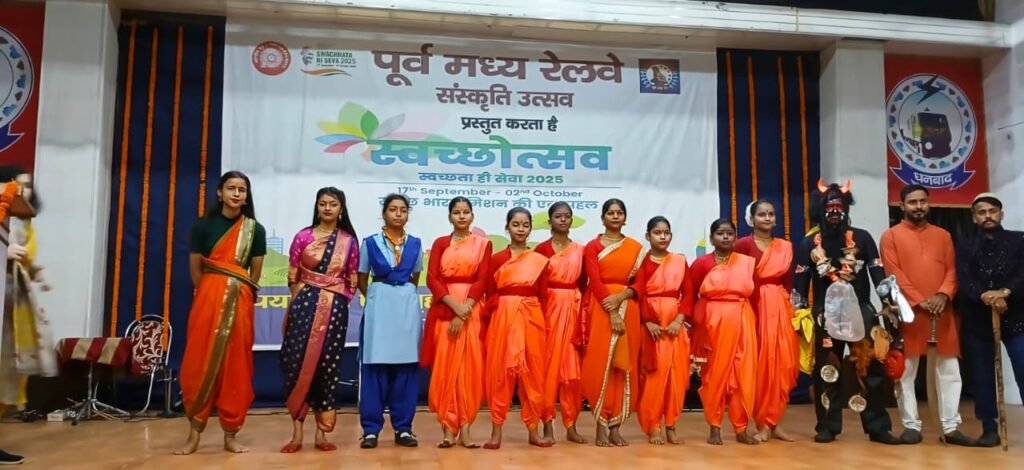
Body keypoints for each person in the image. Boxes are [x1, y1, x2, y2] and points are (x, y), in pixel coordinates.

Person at [794, 180, 901, 445]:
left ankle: (878, 427)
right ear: (819, 211)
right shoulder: (808, 244)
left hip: (861, 312)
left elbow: (878, 273)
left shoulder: (862, 238)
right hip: (824, 316)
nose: (834, 212)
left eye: (839, 207)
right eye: (829, 207)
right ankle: (827, 426)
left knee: (870, 369)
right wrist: (798, 314)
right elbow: (799, 285)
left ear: (846, 209)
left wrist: (888, 302)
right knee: (826, 370)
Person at [176, 171, 266, 455]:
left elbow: (255, 272)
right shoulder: (203, 226)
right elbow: (196, 271)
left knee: (236, 365)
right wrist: (212, 292)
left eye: (242, 189)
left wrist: (237, 290)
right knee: (199, 361)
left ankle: (231, 434)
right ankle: (194, 435)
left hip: (240, 300)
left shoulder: (255, 230)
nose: (237, 194)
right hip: (208, 299)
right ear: (219, 192)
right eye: (231, 188)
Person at [880, 184, 971, 445]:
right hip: (909, 313)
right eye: (913, 202)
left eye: (923, 201)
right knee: (905, 371)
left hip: (942, 312)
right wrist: (919, 300)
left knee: (949, 370)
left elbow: (952, 270)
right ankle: (911, 425)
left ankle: (950, 427)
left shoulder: (943, 235)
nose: (918, 206)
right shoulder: (891, 236)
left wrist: (943, 294)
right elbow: (893, 273)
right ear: (902, 206)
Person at [279, 187, 359, 453]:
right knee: (296, 364)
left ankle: (321, 433)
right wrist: (302, 299)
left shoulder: (348, 241)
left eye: (333, 204)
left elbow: (351, 281)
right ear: (317, 206)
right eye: (323, 203)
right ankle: (296, 433)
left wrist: (334, 300)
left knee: (327, 367)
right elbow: (293, 274)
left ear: (341, 209)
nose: (327, 208)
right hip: (303, 307)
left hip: (335, 310)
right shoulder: (303, 236)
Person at [421, 196, 491, 448]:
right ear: (450, 216)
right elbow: (432, 278)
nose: (461, 216)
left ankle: (466, 429)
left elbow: (483, 279)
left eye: (465, 212)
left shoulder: (483, 244)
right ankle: (447, 429)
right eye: (456, 212)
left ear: (472, 216)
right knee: (445, 368)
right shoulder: (440, 243)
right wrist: (456, 308)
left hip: (472, 310)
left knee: (470, 369)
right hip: (445, 308)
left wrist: (465, 310)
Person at [956, 192, 1024, 447]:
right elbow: (965, 279)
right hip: (979, 321)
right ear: (974, 218)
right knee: (982, 376)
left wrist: (1005, 292)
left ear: (1001, 214)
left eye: (992, 211)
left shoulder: (1019, 240)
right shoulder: (964, 247)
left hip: (1016, 318)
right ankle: (989, 428)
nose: (988, 216)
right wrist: (985, 295)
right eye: (982, 213)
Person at [482, 207, 552, 449]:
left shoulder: (539, 261)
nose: (520, 229)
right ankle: (496, 432)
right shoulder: (497, 259)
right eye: (516, 224)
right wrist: (505, 308)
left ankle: (533, 431)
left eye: (525, 225)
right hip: (503, 318)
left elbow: (543, 295)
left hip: (532, 317)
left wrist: (534, 316)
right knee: (500, 374)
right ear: (507, 227)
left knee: (533, 374)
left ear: (530, 228)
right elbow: (489, 293)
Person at [357, 194, 422, 449]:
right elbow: (362, 278)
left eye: (403, 210)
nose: (398, 214)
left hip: (405, 306)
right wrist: (378, 296)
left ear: (408, 214)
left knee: (406, 368)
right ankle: (371, 430)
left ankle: (403, 428)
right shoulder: (370, 242)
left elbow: (415, 277)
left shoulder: (415, 244)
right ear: (384, 213)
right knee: (375, 367)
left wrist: (399, 293)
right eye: (393, 209)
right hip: (379, 305)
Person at [689, 218, 759, 446]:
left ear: (736, 237)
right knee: (715, 375)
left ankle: (741, 428)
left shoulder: (746, 263)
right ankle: (714, 427)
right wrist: (697, 325)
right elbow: (692, 294)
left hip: (743, 319)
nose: (725, 237)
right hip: (714, 321)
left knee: (743, 374)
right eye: (720, 233)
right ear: (711, 238)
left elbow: (753, 294)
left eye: (730, 233)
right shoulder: (702, 264)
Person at [581, 198, 645, 447]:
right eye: (610, 212)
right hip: (602, 307)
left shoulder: (635, 247)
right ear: (603, 218)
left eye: (620, 212)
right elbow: (594, 280)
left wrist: (622, 297)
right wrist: (612, 310)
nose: (615, 216)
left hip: (628, 306)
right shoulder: (593, 246)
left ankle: (616, 428)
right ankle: (600, 427)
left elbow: (640, 282)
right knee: (602, 364)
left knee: (623, 365)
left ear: (625, 218)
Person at [734, 200, 798, 442]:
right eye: (762, 214)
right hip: (752, 309)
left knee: (781, 366)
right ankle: (761, 422)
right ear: (751, 219)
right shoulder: (742, 245)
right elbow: (738, 278)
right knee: (759, 367)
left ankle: (774, 422)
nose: (768, 218)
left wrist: (786, 309)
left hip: (779, 310)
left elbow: (788, 282)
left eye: (771, 214)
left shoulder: (784, 247)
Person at [0, 166, 56, 421]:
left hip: (14, 301)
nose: (23, 189)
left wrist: (37, 273)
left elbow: (25, 262)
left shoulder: (24, 223)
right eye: (17, 183)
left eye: (28, 185)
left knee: (11, 368)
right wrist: (5, 251)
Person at [634, 216, 694, 445]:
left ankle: (671, 424)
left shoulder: (679, 261)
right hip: (652, 327)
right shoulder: (641, 262)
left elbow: (689, 292)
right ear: (648, 236)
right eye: (657, 232)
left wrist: (679, 320)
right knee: (654, 377)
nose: (662, 236)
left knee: (676, 377)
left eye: (666, 232)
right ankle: (654, 426)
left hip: (674, 327)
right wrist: (648, 322)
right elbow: (638, 294)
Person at [535, 202, 588, 444]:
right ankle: (547, 424)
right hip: (549, 311)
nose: (563, 220)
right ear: (550, 221)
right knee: (548, 371)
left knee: (572, 371)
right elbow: (537, 284)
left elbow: (584, 283)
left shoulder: (580, 251)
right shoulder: (541, 250)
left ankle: (571, 425)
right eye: (558, 216)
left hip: (573, 311)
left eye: (567, 216)